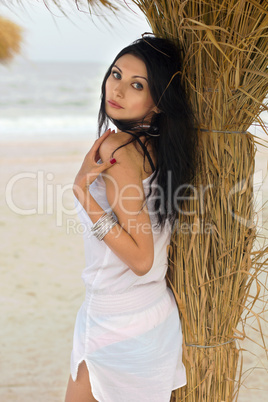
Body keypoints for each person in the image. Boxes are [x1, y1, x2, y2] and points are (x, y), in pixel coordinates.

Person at [65, 35, 197, 402]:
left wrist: (81, 192)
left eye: (137, 85)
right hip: (151, 315)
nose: (117, 89)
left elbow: (141, 258)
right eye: (116, 75)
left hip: (115, 320)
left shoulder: (117, 148)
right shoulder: (161, 150)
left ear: (157, 104)